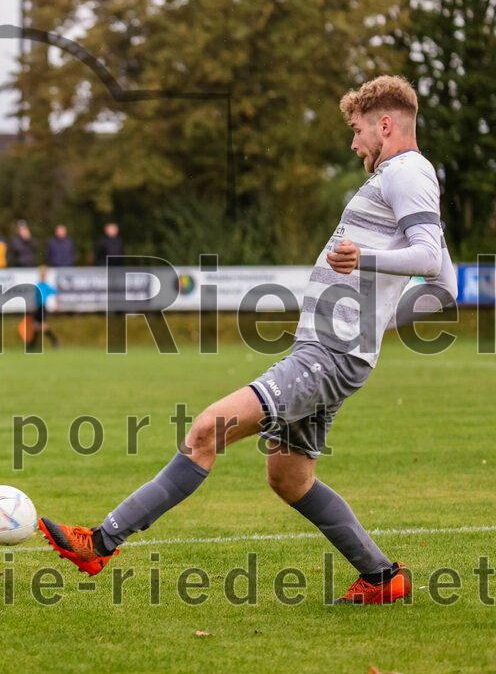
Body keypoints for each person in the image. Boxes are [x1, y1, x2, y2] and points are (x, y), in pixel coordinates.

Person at [38, 76, 457, 605]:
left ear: (386, 124)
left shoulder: (408, 173)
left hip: (329, 355)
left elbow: (428, 260)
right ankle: (381, 577)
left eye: (357, 130)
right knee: (289, 477)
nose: (354, 143)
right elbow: (447, 286)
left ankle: (99, 543)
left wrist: (362, 265)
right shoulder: (405, 178)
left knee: (206, 430)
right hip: (331, 351)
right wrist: (372, 323)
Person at [26, 265, 59, 351]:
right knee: (35, 326)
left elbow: (56, 293)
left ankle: (54, 340)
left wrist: (57, 304)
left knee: (41, 326)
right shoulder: (38, 284)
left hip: (42, 308)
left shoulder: (45, 285)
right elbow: (36, 297)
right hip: (38, 307)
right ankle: (32, 345)